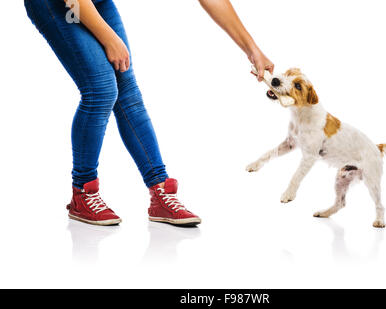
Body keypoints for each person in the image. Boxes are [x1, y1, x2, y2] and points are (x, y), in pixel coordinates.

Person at [24, 0, 274, 227]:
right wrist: (108, 38)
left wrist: (252, 49)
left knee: (128, 93)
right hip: (60, 4)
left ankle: (160, 191)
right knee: (100, 90)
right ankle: (83, 193)